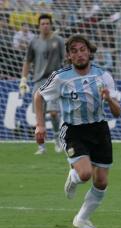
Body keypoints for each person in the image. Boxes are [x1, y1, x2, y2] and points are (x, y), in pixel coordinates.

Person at [34, 34, 121, 228]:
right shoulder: (60, 77)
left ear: (89, 52)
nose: (80, 54)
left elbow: (118, 112)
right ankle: (73, 177)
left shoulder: (103, 76)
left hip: (99, 130)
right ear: (69, 56)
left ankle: (81, 218)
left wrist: (109, 99)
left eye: (83, 50)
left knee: (101, 180)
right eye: (74, 51)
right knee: (85, 174)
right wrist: (40, 125)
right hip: (73, 130)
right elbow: (38, 96)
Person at [19, 14, 65, 155]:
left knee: (53, 113)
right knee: (39, 117)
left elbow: (66, 59)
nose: (45, 26)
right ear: (39, 26)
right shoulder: (34, 42)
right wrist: (23, 80)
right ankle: (41, 146)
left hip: (54, 80)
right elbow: (28, 62)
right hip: (38, 82)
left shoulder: (58, 41)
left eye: (47, 23)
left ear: (51, 25)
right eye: (42, 23)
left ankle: (57, 139)